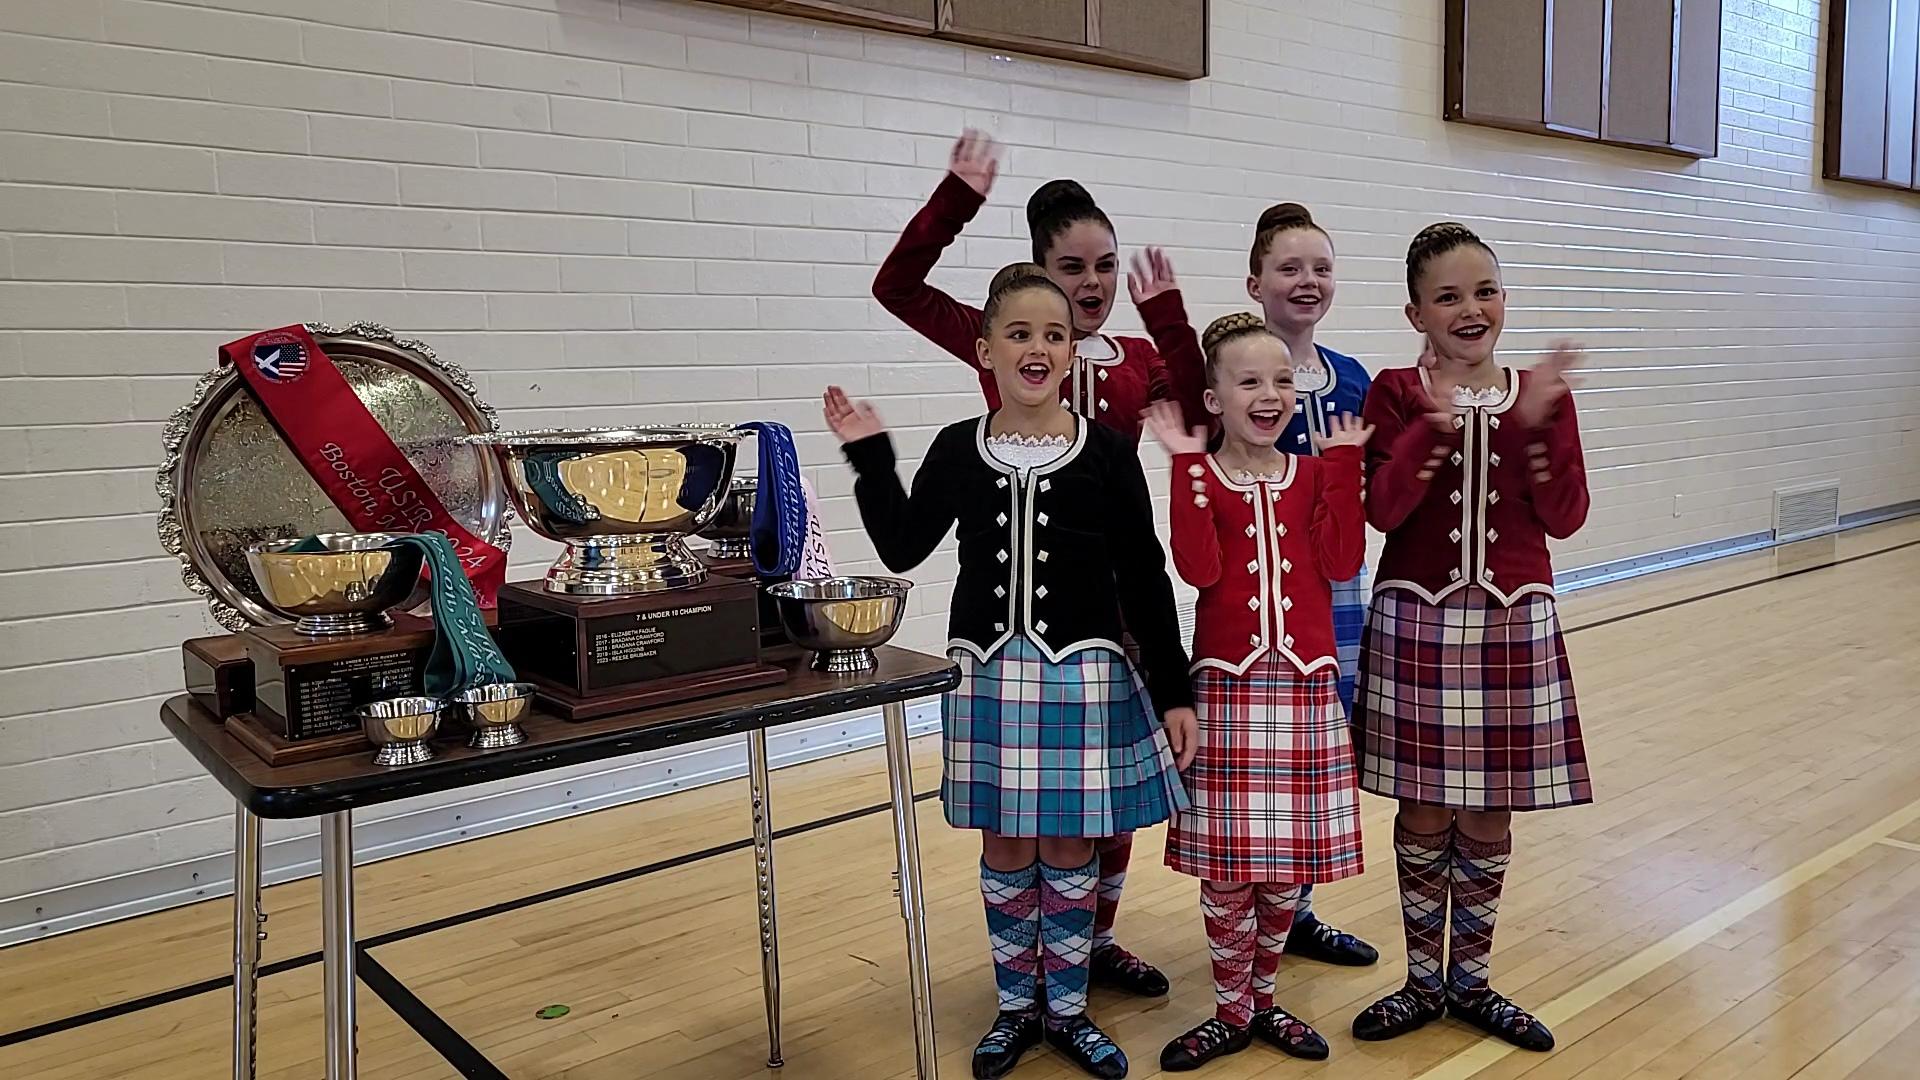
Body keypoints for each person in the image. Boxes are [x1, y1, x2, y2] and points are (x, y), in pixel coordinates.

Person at [828, 264, 1198, 1079]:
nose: (1038, 348)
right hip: (988, 676)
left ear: (1073, 352)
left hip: (1085, 676)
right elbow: (902, 544)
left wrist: (1175, 690)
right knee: (1005, 840)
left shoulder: (1104, 451)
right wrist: (869, 456)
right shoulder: (961, 447)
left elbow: (1144, 573)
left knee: (1069, 842)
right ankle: (1014, 1009)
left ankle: (1066, 1011)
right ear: (985, 348)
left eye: (1054, 335)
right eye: (1020, 333)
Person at [873, 128, 1205, 996]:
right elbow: (897, 287)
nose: (1092, 284)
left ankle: (1089, 944)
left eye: (1105, 267)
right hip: (1019, 631)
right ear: (1037, 275)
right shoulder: (1011, 342)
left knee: (1108, 798)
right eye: (1072, 266)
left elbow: (1205, 410)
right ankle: (1041, 976)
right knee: (1037, 812)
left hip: (1114, 611)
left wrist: (1166, 311)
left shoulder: (1136, 363)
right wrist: (955, 201)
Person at [1349, 222, 1593, 1052]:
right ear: (1416, 313)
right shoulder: (1391, 391)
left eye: (1484, 290)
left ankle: (1473, 981)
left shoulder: (1541, 392)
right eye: (1447, 296)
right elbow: (1381, 510)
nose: (1470, 307)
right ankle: (1423, 982)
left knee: (1489, 809)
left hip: (1513, 620)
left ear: (1505, 299)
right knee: (1424, 805)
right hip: (1417, 617)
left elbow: (1567, 515)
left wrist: (1534, 421)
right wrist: (1431, 423)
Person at [1144, 314, 1371, 1071]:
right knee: (1230, 866)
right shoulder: (1201, 476)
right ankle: (1229, 1009)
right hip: (1228, 691)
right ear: (1214, 398)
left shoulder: (1312, 474)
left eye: (1281, 381)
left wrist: (1341, 467)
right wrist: (1184, 466)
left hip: (1305, 688)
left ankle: (1265, 1000)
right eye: (1249, 382)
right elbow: (1198, 569)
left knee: (1283, 865)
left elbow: (1341, 558)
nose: (1269, 394)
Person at [1239, 201, 1383, 968]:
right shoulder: (1234, 375)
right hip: (1258, 602)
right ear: (1255, 282)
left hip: (1341, 597)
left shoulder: (1356, 379)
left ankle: (1296, 912)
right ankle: (1253, 918)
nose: (1307, 281)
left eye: (1321, 268)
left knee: (1317, 756)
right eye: (1290, 268)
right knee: (1261, 758)